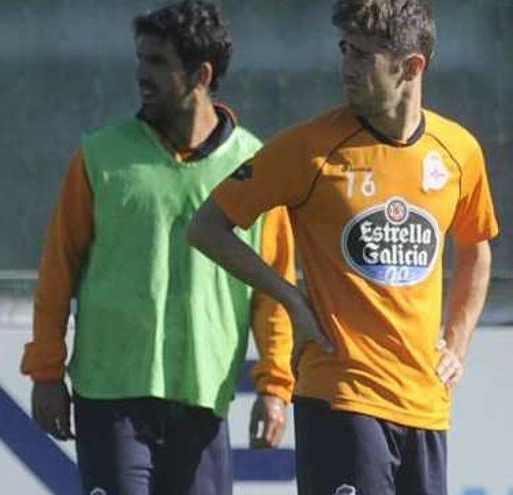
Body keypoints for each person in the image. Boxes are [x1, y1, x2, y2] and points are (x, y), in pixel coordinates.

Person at [187, 0, 499, 493]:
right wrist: (290, 298)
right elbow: (206, 226)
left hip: (425, 406)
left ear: (411, 66)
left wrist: (456, 343)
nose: (347, 67)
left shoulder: (458, 151)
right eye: (344, 49)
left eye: (364, 56)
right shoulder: (309, 148)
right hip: (340, 396)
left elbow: (476, 245)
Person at [19, 2, 294, 493]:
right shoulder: (100, 155)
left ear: (201, 75)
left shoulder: (254, 165)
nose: (142, 75)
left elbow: (273, 288)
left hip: (202, 399)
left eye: (158, 63)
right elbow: (58, 269)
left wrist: (275, 385)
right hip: (111, 396)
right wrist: (45, 369)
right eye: (140, 59)